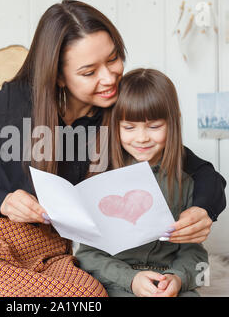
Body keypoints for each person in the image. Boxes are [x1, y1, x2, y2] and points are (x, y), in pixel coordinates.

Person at [0, 0, 225, 297]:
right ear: (58, 76)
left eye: (113, 58)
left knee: (87, 294)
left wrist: (202, 209)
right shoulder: (13, 103)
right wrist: (3, 201)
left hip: (51, 252)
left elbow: (200, 170)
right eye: (89, 72)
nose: (108, 77)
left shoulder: (118, 115)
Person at [76, 68, 209, 297]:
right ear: (116, 125)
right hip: (118, 280)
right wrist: (131, 279)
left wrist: (177, 279)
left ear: (173, 123)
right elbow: (87, 256)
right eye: (129, 127)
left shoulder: (186, 181)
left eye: (154, 126)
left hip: (167, 280)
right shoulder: (101, 179)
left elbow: (196, 255)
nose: (141, 138)